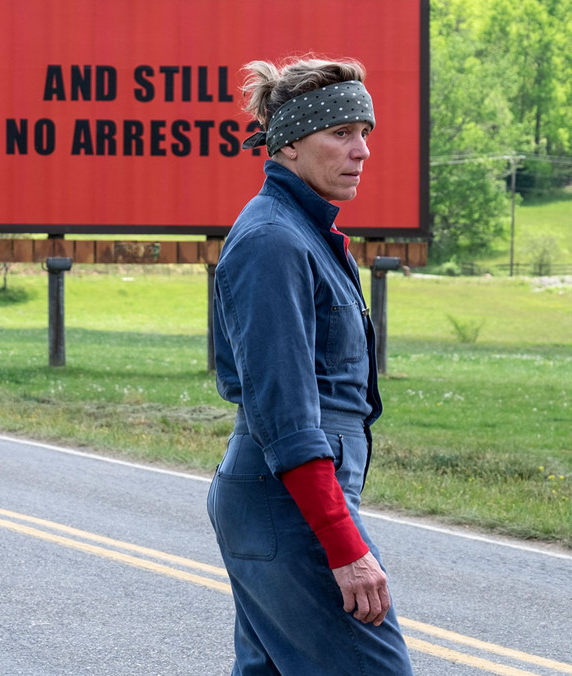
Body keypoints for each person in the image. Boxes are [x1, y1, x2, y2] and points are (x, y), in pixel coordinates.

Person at [207, 57, 415, 675]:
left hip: (283, 502)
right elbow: (287, 416)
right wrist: (344, 545)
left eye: (366, 134)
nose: (361, 151)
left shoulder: (301, 232)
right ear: (290, 143)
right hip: (289, 504)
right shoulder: (275, 241)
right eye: (341, 133)